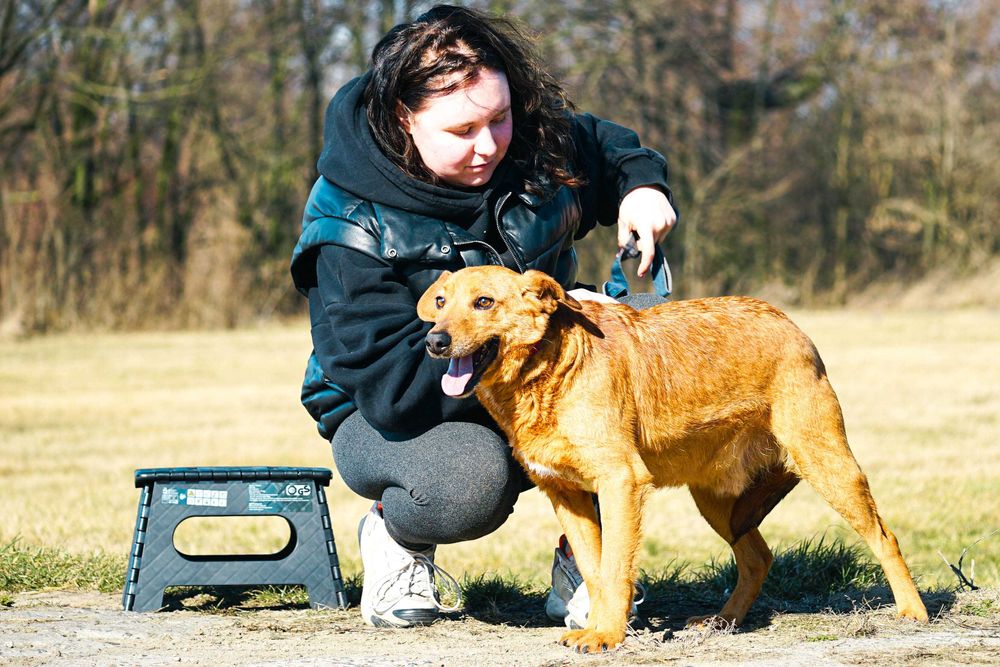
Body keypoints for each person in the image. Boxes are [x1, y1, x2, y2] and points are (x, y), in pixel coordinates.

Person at [290, 4, 677, 629]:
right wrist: (549, 330)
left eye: (499, 118)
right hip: (393, 412)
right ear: (404, 118)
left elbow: (608, 146)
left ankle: (588, 563)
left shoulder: (534, 146)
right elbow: (391, 386)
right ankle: (397, 535)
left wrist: (641, 189)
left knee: (640, 374)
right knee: (468, 483)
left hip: (531, 377)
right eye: (463, 129)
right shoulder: (347, 220)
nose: (490, 144)